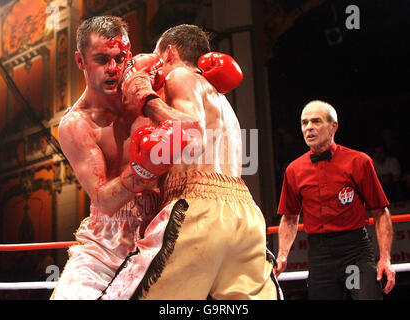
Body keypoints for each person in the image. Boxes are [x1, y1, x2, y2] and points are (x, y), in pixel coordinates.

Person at [97, 24, 281, 300]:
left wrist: (144, 95)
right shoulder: (221, 100)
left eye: (157, 58)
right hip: (247, 217)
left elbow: (190, 132)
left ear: (169, 52)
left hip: (197, 211)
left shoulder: (181, 75)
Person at [51, 16, 164, 300]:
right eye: (102, 59)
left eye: (120, 58)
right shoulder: (77, 124)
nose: (114, 69)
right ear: (80, 61)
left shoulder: (146, 84)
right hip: (109, 236)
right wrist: (147, 168)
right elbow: (104, 199)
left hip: (165, 220)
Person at [274, 100, 395, 300]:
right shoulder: (294, 170)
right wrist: (283, 254)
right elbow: (289, 218)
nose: (309, 128)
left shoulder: (359, 162)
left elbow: (380, 212)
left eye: (316, 121)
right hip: (320, 256)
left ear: (333, 127)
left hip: (355, 252)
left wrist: (386, 258)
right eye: (304, 123)